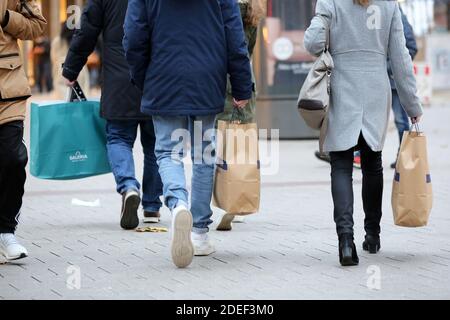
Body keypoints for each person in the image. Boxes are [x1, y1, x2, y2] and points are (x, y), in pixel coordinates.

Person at [124, 0, 253, 268]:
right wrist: (241, 85)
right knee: (204, 155)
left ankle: (178, 204)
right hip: (207, 77)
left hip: (162, 76)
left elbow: (133, 36)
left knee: (167, 152)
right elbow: (235, 37)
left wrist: (142, 78)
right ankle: (200, 233)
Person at [304, 0, 423, 267]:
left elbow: (312, 43)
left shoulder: (330, 2)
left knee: (341, 165)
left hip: (342, 90)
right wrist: (412, 105)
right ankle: (373, 235)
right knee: (372, 164)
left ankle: (346, 241)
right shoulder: (389, 6)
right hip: (375, 92)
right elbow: (401, 58)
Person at [63, 0, 164, 230]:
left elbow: (86, 30)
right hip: (155, 79)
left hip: (120, 81)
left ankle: (129, 187)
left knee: (118, 138)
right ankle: (151, 206)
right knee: (156, 144)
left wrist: (71, 68)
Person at [0, 0, 47, 261]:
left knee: (13, 158)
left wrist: (7, 17)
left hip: (8, 89)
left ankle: (6, 231)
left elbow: (37, 26)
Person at [216, 0, 266, 232]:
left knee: (211, 144)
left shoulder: (219, 6)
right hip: (244, 80)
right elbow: (248, 50)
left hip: (215, 77)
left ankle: (214, 200)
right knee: (240, 143)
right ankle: (236, 201)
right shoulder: (252, 9)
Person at [389, 9, 418, 169]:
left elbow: (411, 46)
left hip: (392, 78)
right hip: (375, 79)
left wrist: (391, 67)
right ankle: (358, 155)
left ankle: (404, 156)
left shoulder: (394, 11)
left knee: (401, 120)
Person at [51, 21, 90, 100]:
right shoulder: (77, 40)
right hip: (79, 67)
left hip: (61, 69)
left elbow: (53, 57)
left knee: (63, 96)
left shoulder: (57, 41)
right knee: (82, 93)